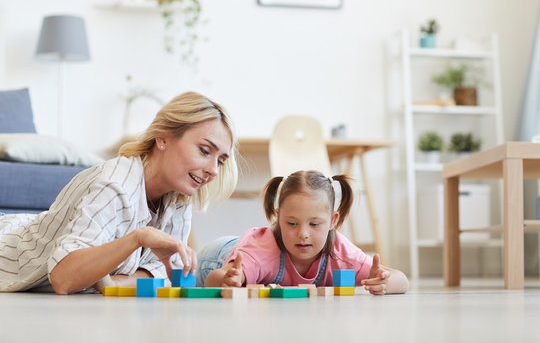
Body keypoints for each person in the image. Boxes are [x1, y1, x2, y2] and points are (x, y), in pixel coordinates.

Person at [0, 91, 238, 295]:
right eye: (205, 150)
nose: (213, 171)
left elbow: (162, 276)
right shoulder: (114, 185)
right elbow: (64, 279)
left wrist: (113, 283)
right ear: (162, 138)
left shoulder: (178, 199)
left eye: (220, 161)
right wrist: (138, 238)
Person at [200, 170, 408, 295]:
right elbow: (213, 279)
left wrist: (383, 282)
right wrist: (226, 281)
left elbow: (401, 280)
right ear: (278, 218)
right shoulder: (263, 251)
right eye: (291, 223)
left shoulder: (341, 254)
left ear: (332, 221)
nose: (303, 234)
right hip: (216, 257)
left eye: (315, 224)